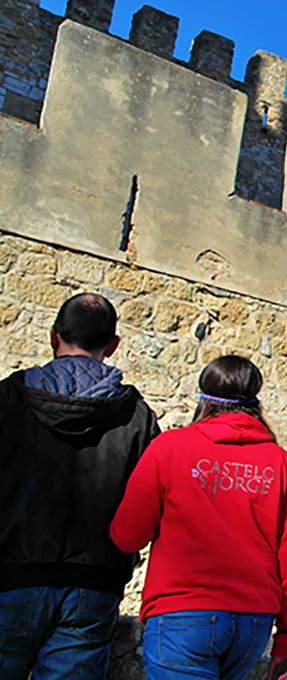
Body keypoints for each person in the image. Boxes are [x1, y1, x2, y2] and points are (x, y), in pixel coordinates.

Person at [110, 355, 287, 680]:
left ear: (205, 398)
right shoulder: (281, 463)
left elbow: (127, 535)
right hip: (252, 623)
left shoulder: (170, 447)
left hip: (183, 615)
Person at [0, 291, 160, 680]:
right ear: (113, 345)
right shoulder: (137, 417)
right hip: (94, 585)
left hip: (9, 572)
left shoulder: (9, 397)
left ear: (54, 336)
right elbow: (150, 505)